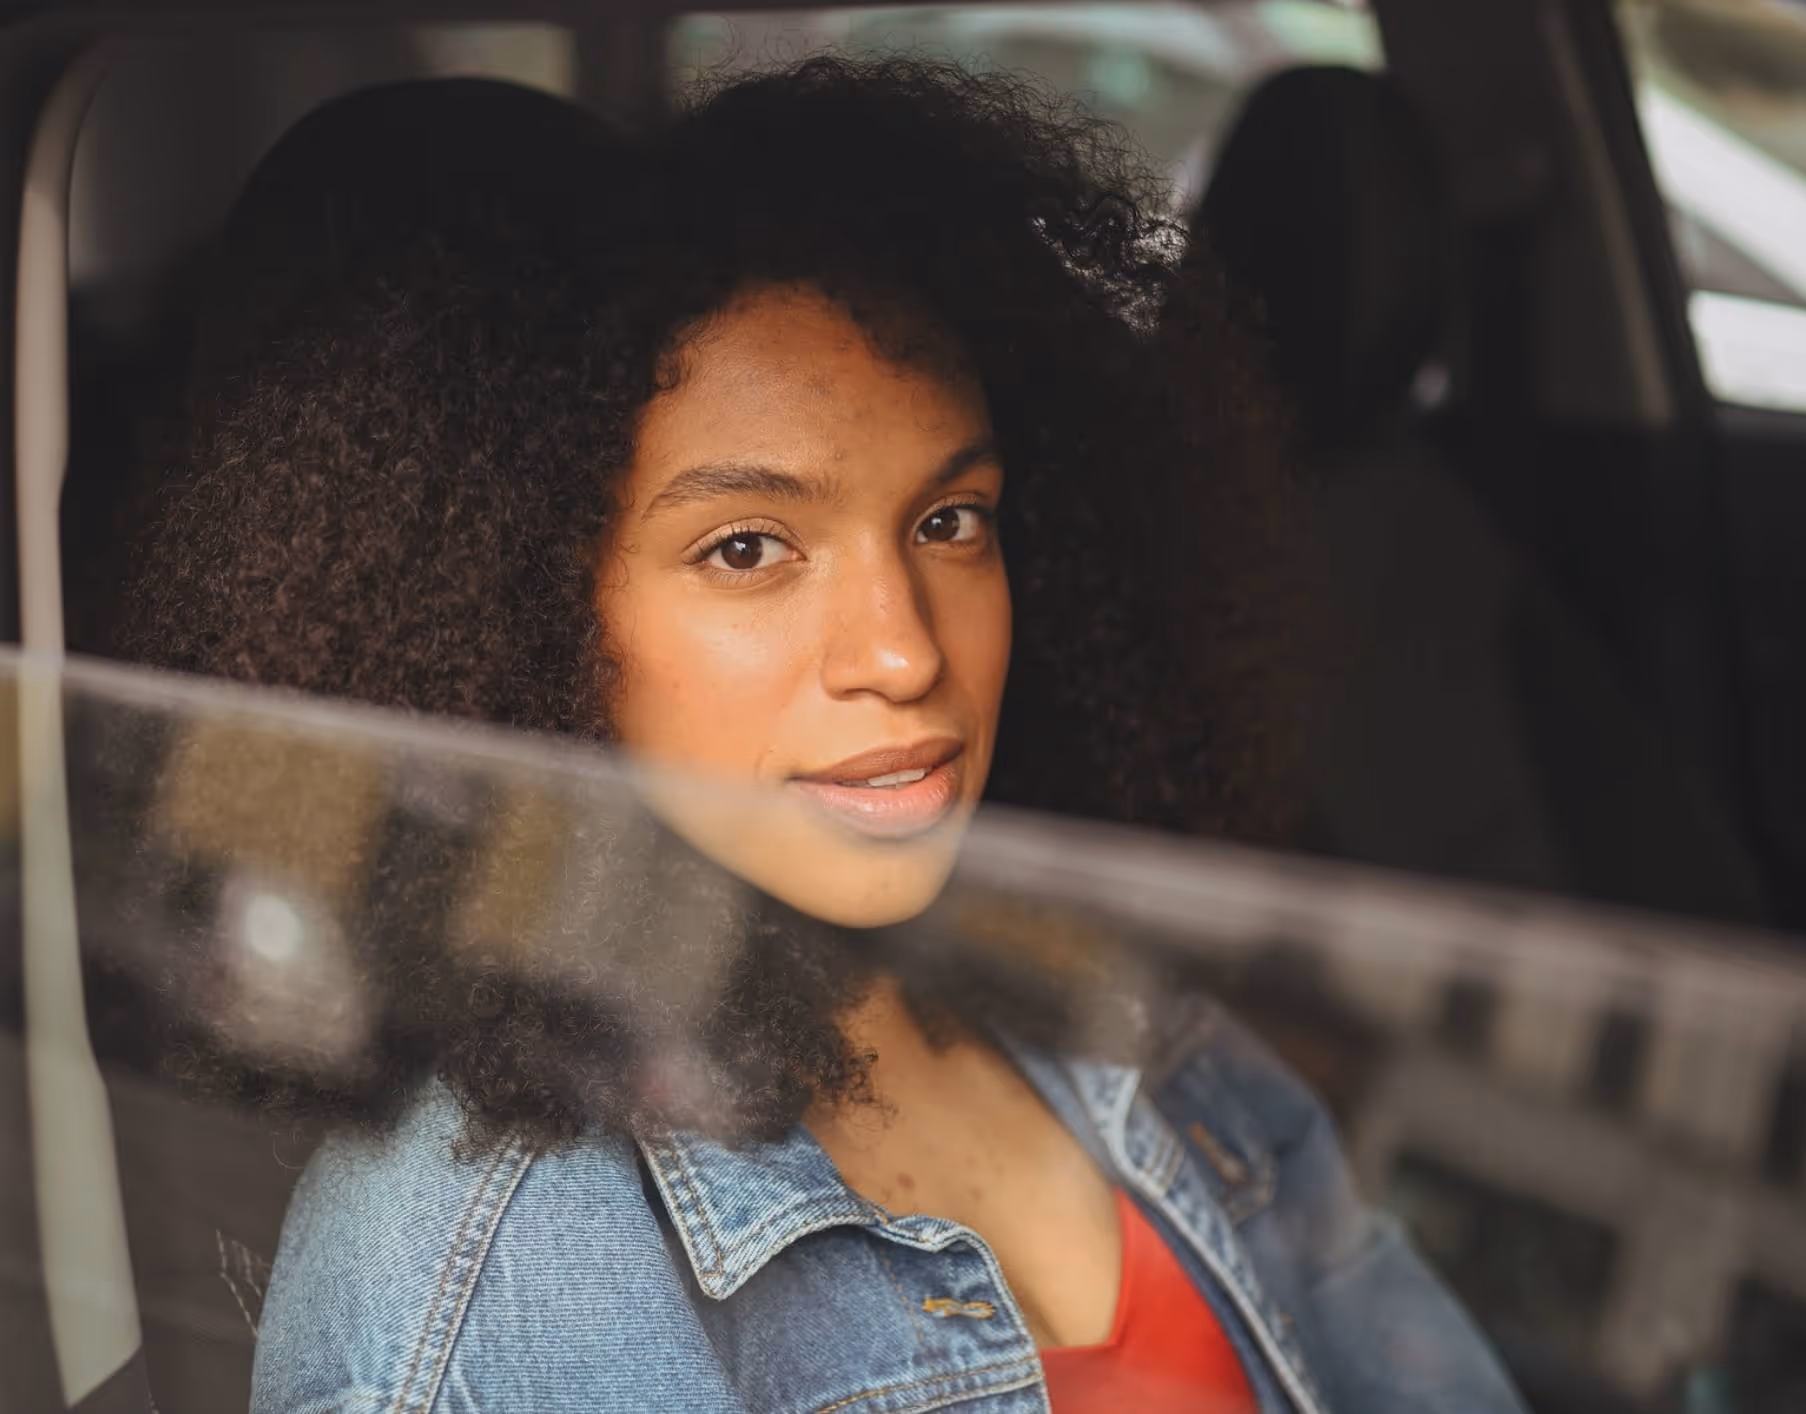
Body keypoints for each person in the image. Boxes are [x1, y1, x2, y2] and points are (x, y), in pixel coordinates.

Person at [124, 59, 1524, 1414]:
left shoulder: (1106, 1005)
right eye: (748, 548)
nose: (905, 651)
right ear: (517, 614)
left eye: (949, 521)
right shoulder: (494, 1272)